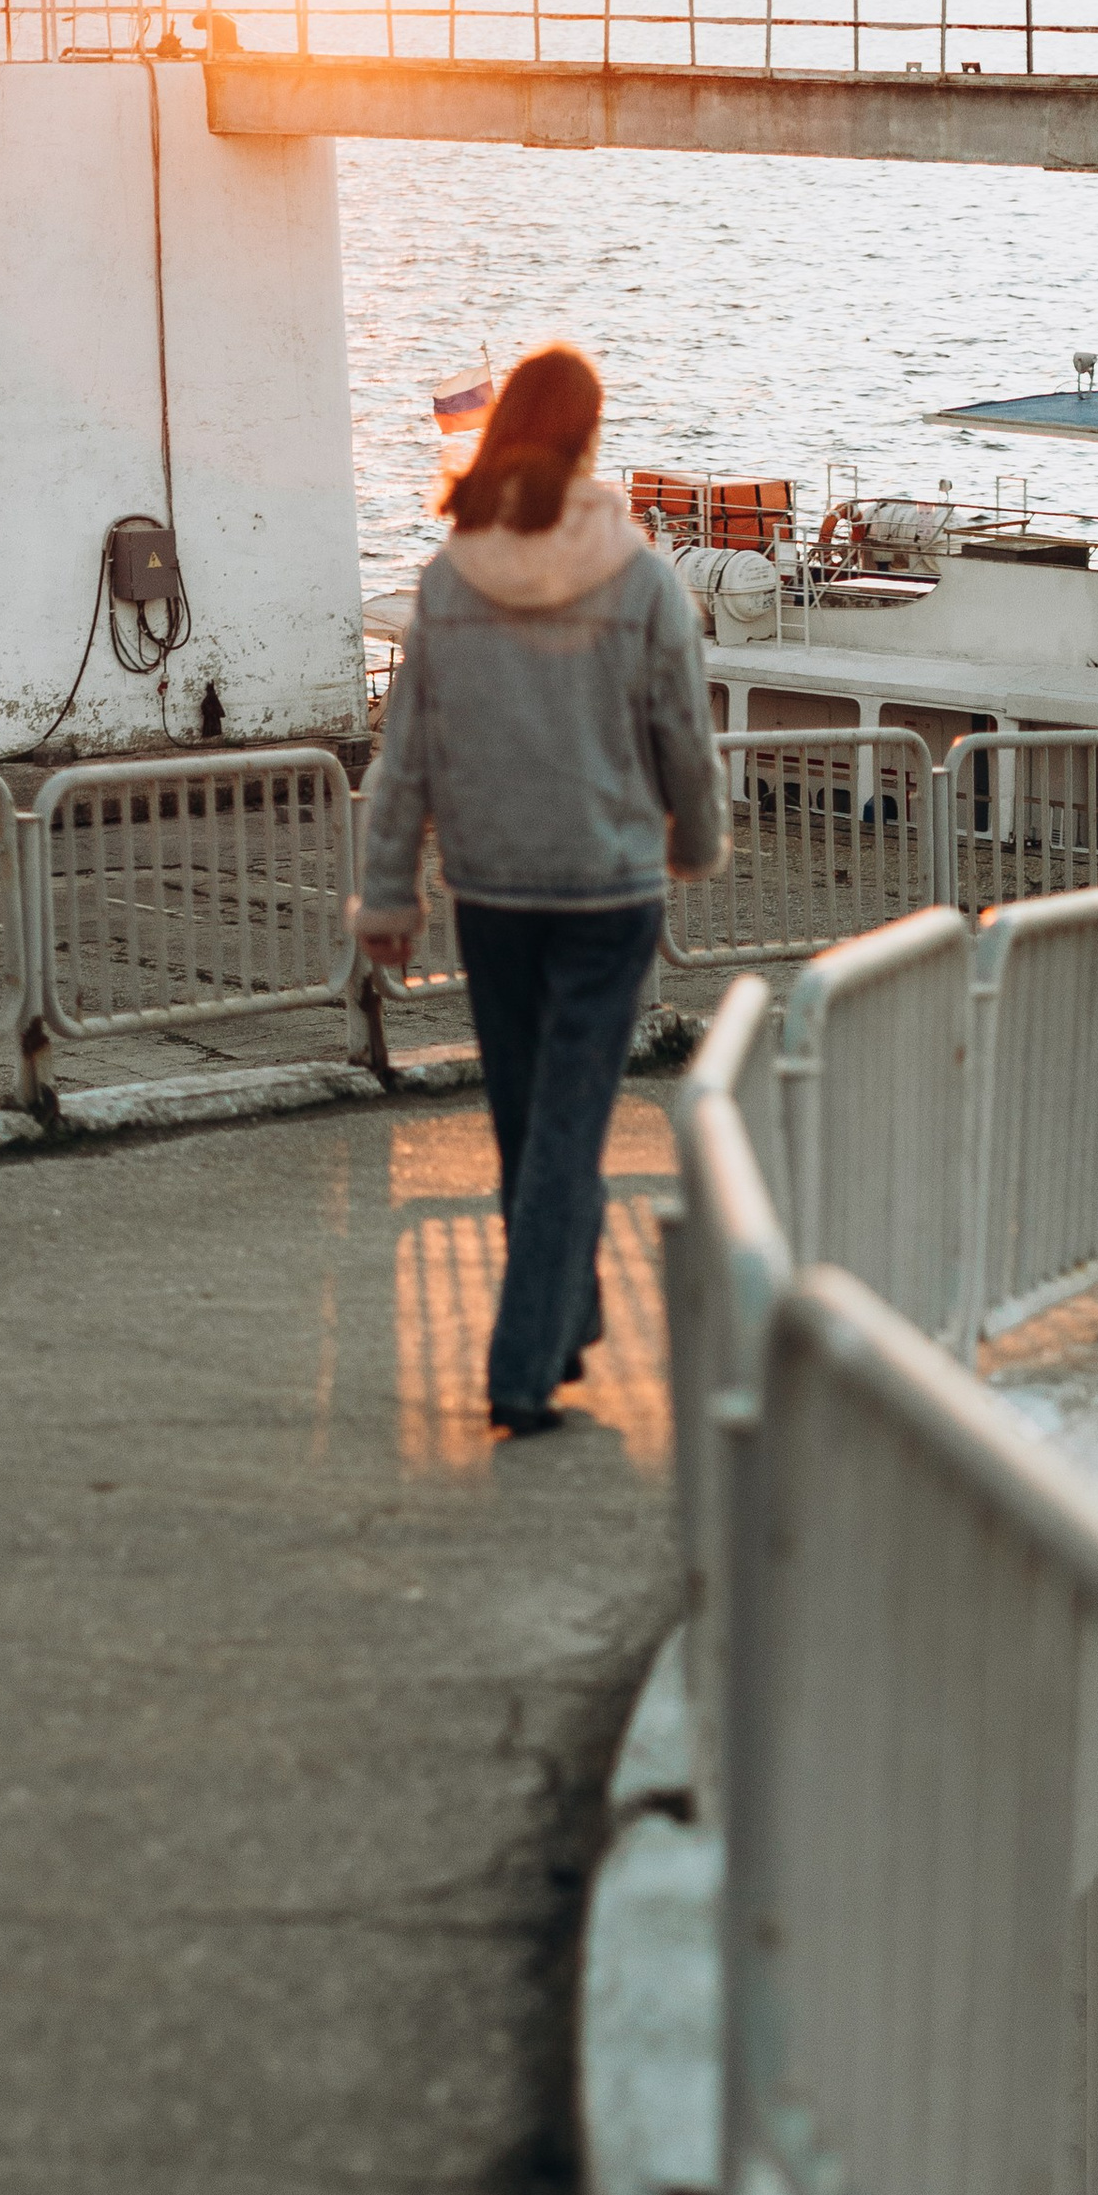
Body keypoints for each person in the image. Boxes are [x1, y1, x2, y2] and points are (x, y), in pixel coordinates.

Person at [354, 344, 726, 1435]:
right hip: (609, 893)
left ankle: (568, 1318)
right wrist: (694, 843)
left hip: (493, 891)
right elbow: (683, 739)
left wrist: (388, 894)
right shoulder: (643, 577)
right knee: (566, 1127)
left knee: (530, 1124)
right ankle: (522, 1363)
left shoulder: (447, 579)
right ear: (586, 438)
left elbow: (405, 758)